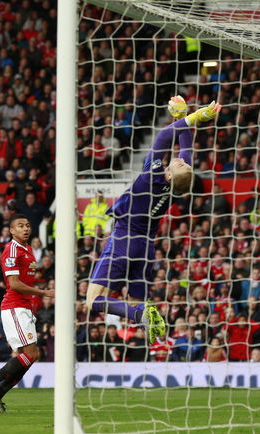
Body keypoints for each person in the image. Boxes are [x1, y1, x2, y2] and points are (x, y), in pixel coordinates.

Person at [86, 98, 221, 340]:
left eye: (180, 164)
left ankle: (138, 316)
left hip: (124, 239)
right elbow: (185, 147)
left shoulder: (152, 175)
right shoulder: (176, 186)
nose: (180, 159)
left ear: (170, 175)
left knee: (92, 300)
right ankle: (145, 327)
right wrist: (182, 115)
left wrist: (195, 117)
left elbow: (164, 136)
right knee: (136, 300)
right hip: (146, 246)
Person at [0, 214, 55, 413]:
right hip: (14, 307)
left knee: (28, 358)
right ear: (11, 230)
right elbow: (14, 284)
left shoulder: (27, 249)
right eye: (20, 226)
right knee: (31, 355)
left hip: (25, 307)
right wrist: (43, 292)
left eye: (27, 225)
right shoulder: (11, 249)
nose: (25, 228)